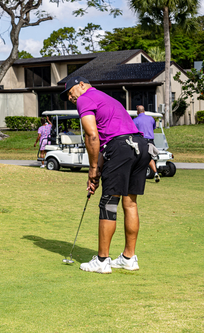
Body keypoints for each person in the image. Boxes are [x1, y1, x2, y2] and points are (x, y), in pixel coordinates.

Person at [60, 76, 150, 274]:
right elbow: (107, 139)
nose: (70, 97)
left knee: (109, 203)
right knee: (130, 202)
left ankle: (102, 261)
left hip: (120, 149)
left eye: (70, 92)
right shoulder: (107, 99)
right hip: (140, 147)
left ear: (82, 85)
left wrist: (92, 168)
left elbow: (92, 136)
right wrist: (97, 173)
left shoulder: (84, 98)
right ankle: (129, 258)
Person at [133, 105, 160, 183]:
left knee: (139, 156)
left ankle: (138, 173)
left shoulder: (135, 120)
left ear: (137, 112)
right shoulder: (151, 119)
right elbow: (153, 127)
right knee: (149, 157)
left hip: (141, 140)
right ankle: (155, 172)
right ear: (144, 111)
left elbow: (134, 131)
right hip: (151, 140)